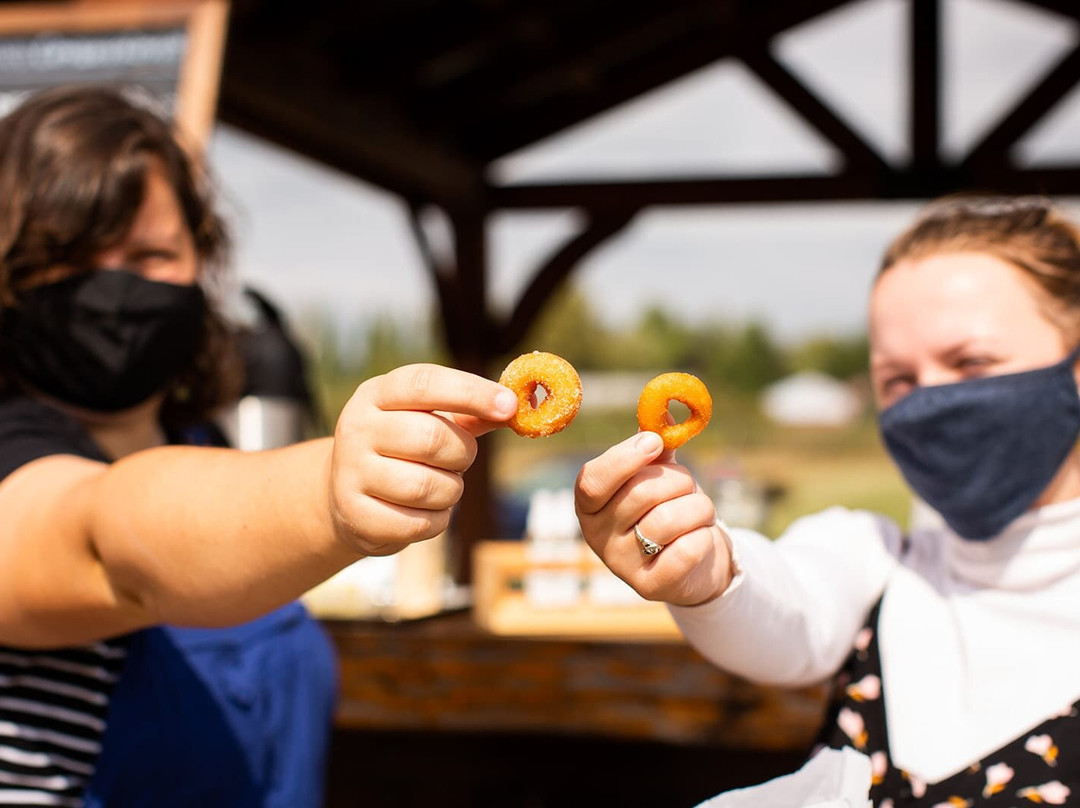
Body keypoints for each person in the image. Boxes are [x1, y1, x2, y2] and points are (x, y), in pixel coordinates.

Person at [0, 85, 519, 807]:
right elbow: (104, 540)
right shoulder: (11, 464)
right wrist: (330, 490)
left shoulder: (206, 442)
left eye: (151, 253)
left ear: (200, 263)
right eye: (72, 257)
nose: (117, 285)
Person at [575, 194, 1080, 806]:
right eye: (897, 379)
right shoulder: (878, 561)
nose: (929, 402)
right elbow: (783, 608)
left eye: (971, 362)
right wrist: (703, 572)